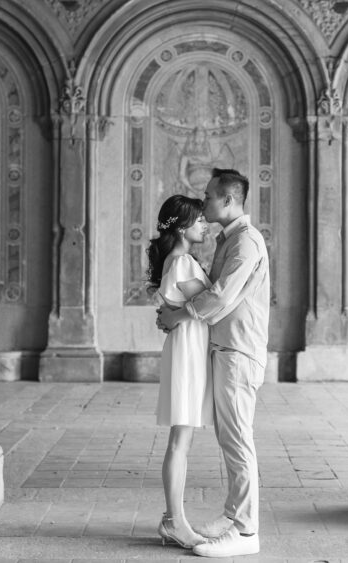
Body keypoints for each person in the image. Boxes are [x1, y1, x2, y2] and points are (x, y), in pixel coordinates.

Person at [157, 168, 270, 558]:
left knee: (238, 439)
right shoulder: (229, 240)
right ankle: (233, 516)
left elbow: (219, 297)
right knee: (229, 437)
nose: (203, 205)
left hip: (238, 349)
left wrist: (177, 313)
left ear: (228, 200)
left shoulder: (246, 243)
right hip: (225, 348)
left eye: (207, 197)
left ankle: (245, 531)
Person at [146, 194, 213, 549]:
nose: (205, 225)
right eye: (199, 220)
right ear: (183, 227)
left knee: (181, 439)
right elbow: (211, 304)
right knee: (180, 440)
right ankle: (174, 521)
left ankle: (174, 518)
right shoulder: (183, 262)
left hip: (186, 346)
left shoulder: (179, 260)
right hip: (187, 350)